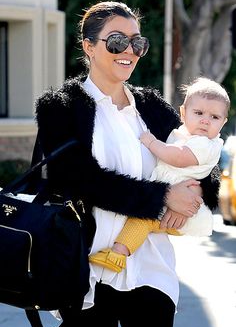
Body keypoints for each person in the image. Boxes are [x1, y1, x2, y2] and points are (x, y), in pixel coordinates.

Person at [35, 1, 220, 327]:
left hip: (151, 270)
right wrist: (163, 197)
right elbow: (78, 179)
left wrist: (193, 192)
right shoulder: (60, 107)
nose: (129, 51)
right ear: (89, 46)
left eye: (137, 42)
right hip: (87, 267)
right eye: (117, 41)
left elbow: (204, 164)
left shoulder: (151, 107)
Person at [89, 77, 230, 273]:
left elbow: (179, 158)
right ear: (183, 113)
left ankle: (118, 254)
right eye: (198, 113)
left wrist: (152, 143)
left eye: (215, 117)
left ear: (224, 122)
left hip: (180, 212)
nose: (205, 121)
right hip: (163, 201)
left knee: (143, 219)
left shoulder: (206, 143)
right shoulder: (184, 134)